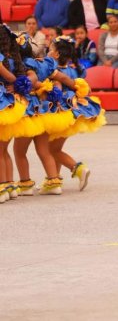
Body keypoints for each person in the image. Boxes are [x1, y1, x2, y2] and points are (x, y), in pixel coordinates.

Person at [13, 34, 77, 196]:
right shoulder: (45, 62)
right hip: (43, 112)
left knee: (19, 151)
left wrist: (37, 85)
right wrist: (78, 87)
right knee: (43, 150)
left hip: (28, 113)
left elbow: (32, 80)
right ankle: (53, 181)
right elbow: (62, 77)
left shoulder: (23, 64)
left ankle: (25, 184)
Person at [47, 36, 104, 191]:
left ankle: (78, 168)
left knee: (51, 149)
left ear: (57, 53)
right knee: (55, 146)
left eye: (51, 49)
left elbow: (57, 90)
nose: (48, 52)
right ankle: (54, 180)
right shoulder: (75, 69)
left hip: (60, 112)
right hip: (72, 112)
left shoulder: (54, 71)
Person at [0, 25, 28, 202]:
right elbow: (19, 78)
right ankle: (10, 185)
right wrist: (17, 84)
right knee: (4, 149)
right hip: (12, 104)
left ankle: (2, 187)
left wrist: (14, 82)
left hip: (3, 103)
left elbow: (9, 77)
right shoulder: (14, 58)